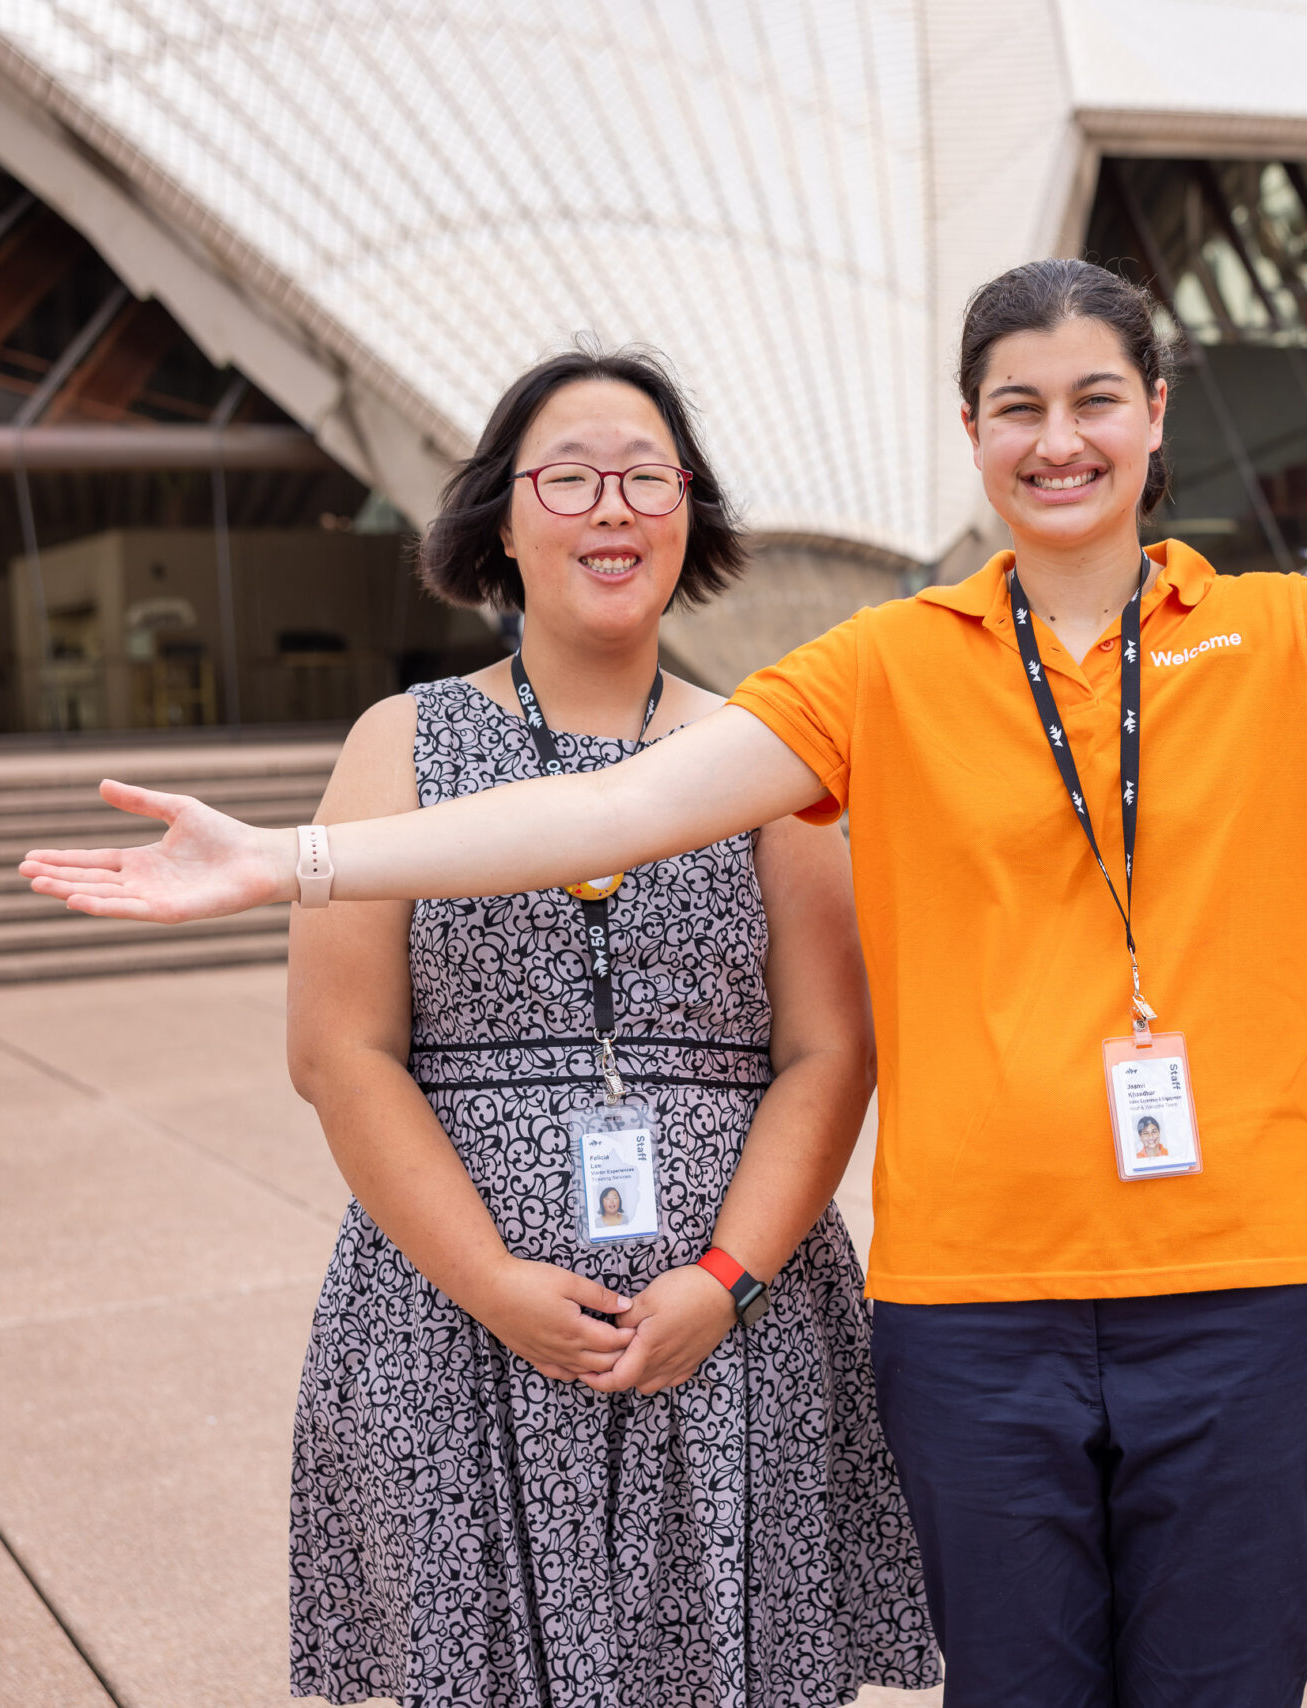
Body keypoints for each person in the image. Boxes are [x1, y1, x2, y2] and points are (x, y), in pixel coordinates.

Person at [23, 260, 1307, 1708]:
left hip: (1233, 1295)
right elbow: (615, 807)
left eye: (1095, 402)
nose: (1058, 441)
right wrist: (291, 858)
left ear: (1153, 421)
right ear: (972, 432)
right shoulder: (880, 668)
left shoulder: (1288, 636)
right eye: (1017, 408)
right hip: (975, 1311)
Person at [281, 346, 936, 1708]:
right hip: (454, 1329)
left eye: (648, 477)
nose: (613, 509)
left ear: (690, 512)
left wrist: (724, 1279)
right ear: (501, 520)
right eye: (569, 478)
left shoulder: (765, 754)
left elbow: (829, 1049)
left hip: (735, 1332)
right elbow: (339, 1052)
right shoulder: (399, 743)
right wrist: (490, 1279)